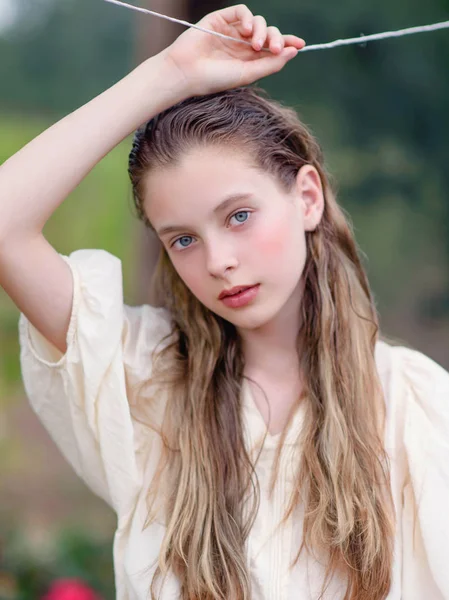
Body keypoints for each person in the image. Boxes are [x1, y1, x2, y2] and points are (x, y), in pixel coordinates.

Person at [0, 4, 448, 600]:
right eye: (183, 238)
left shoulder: (417, 407)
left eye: (238, 216)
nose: (216, 261)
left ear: (306, 197)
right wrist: (172, 72)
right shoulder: (145, 383)